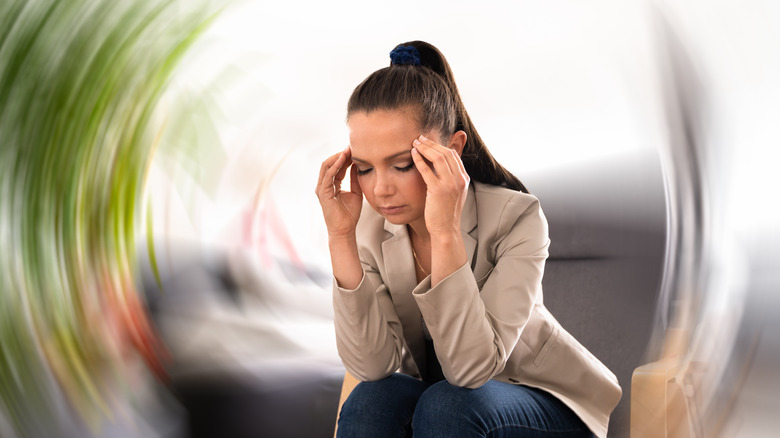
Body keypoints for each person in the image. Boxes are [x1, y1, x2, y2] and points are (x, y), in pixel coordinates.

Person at [315, 41, 621, 438]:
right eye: (365, 169)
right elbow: (371, 366)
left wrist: (444, 232)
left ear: (452, 150)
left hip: (544, 402)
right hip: (445, 405)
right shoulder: (369, 226)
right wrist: (340, 237)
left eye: (403, 165)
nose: (381, 190)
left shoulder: (517, 217)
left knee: (449, 404)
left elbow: (470, 371)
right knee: (371, 399)